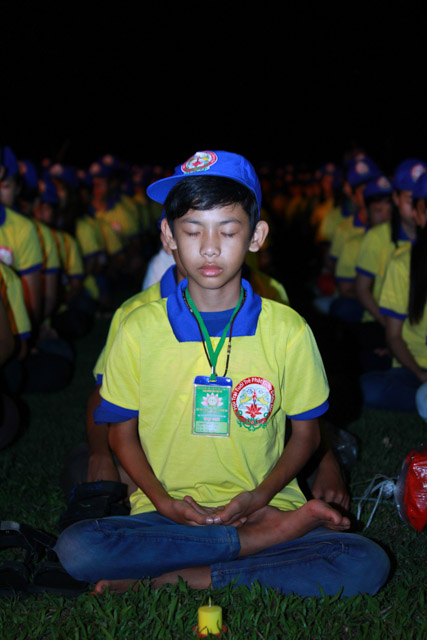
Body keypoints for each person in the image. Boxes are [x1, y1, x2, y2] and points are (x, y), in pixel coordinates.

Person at [56, 150, 389, 597]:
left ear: (256, 236)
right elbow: (121, 433)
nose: (210, 247)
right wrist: (164, 503)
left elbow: (307, 436)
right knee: (78, 548)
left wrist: (260, 497)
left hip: (269, 504)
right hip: (169, 516)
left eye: (228, 231)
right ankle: (257, 545)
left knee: (365, 562)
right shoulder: (139, 327)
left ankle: (192, 573)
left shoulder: (288, 329)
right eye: (192, 230)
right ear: (168, 236)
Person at [360, 170, 427, 411]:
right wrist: (420, 374)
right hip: (414, 366)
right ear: (419, 214)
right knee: (370, 388)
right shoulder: (402, 263)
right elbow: (394, 335)